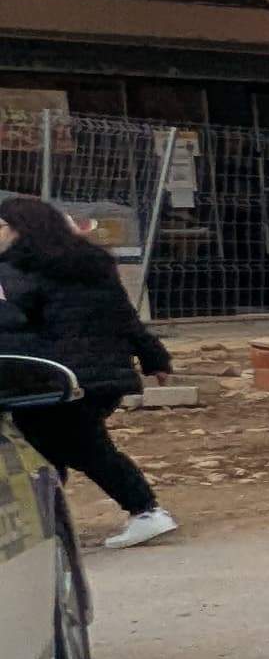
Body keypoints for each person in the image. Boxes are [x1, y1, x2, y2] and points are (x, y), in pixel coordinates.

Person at [0, 195, 176, 548]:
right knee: (49, 448)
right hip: (102, 378)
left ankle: (145, 511)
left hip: (53, 378)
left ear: (19, 228)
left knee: (82, 448)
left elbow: (13, 325)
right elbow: (124, 315)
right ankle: (48, 524)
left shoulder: (16, 270)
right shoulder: (90, 263)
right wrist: (154, 357)